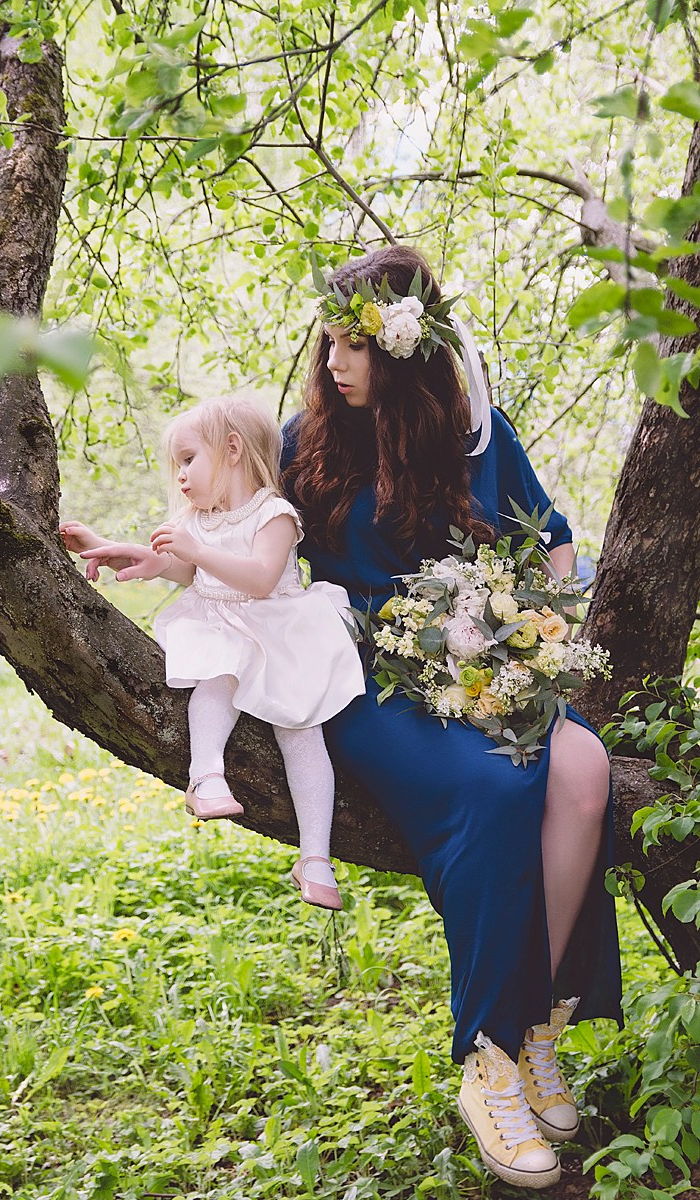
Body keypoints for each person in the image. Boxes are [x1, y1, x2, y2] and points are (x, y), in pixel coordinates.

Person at [281, 245, 622, 1190]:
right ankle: (488, 1055)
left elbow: (554, 545)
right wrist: (163, 553)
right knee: (500, 784)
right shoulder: (304, 441)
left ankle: (535, 1029)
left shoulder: (474, 435)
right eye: (330, 343)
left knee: (584, 773)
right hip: (366, 680)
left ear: (407, 350)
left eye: (355, 345)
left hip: (483, 664)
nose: (335, 363)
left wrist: (536, 638)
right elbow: (243, 532)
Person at [60, 396, 365, 911]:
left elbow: (261, 578)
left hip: (281, 634)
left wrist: (196, 551)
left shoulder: (274, 513)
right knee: (217, 677)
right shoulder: (198, 519)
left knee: (301, 731)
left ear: (232, 449)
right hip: (225, 629)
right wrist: (120, 551)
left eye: (188, 459)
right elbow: (185, 569)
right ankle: (206, 776)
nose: (180, 475)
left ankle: (316, 858)